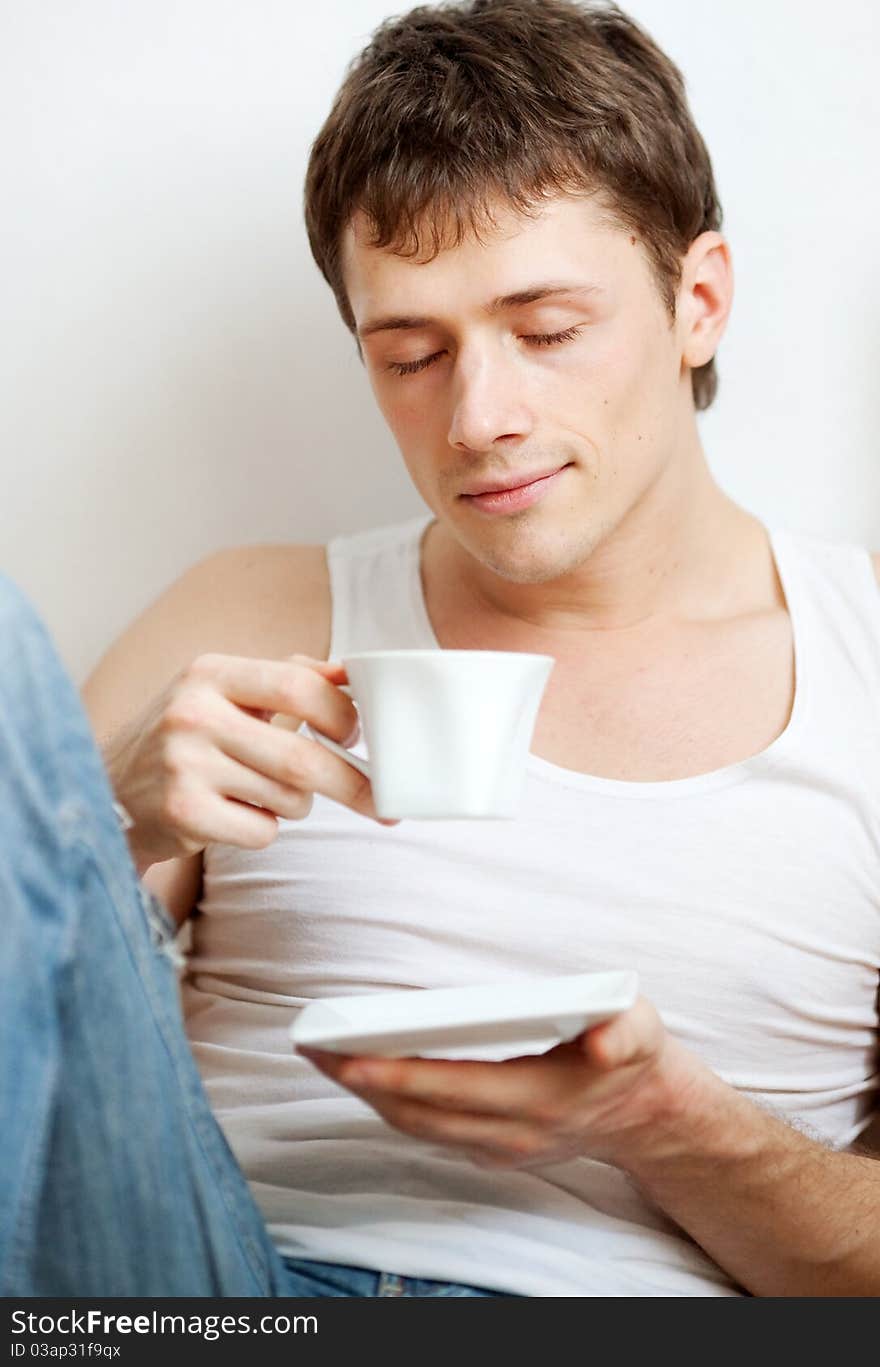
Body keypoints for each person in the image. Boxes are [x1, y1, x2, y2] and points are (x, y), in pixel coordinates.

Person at [3, 0, 879, 1298]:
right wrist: (108, 827)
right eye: (410, 353)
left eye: (546, 331)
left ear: (697, 300)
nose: (478, 418)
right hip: (212, 1287)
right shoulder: (250, 615)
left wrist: (661, 1122)